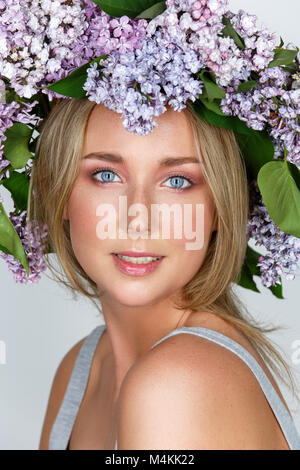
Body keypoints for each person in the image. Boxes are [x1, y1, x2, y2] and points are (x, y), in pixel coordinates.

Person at [27, 97, 300, 450]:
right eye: (106, 175)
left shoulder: (174, 386)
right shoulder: (81, 367)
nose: (138, 218)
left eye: (177, 181)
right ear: (57, 190)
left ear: (220, 206)